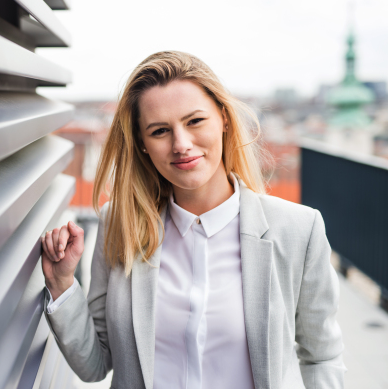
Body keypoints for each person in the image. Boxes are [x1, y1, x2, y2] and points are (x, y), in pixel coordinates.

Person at [40, 51, 345, 389]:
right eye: (159, 131)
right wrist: (62, 283)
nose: (181, 144)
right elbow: (95, 364)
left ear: (224, 119)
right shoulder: (120, 223)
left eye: (195, 121)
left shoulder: (298, 230)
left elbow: (322, 356)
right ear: (142, 144)